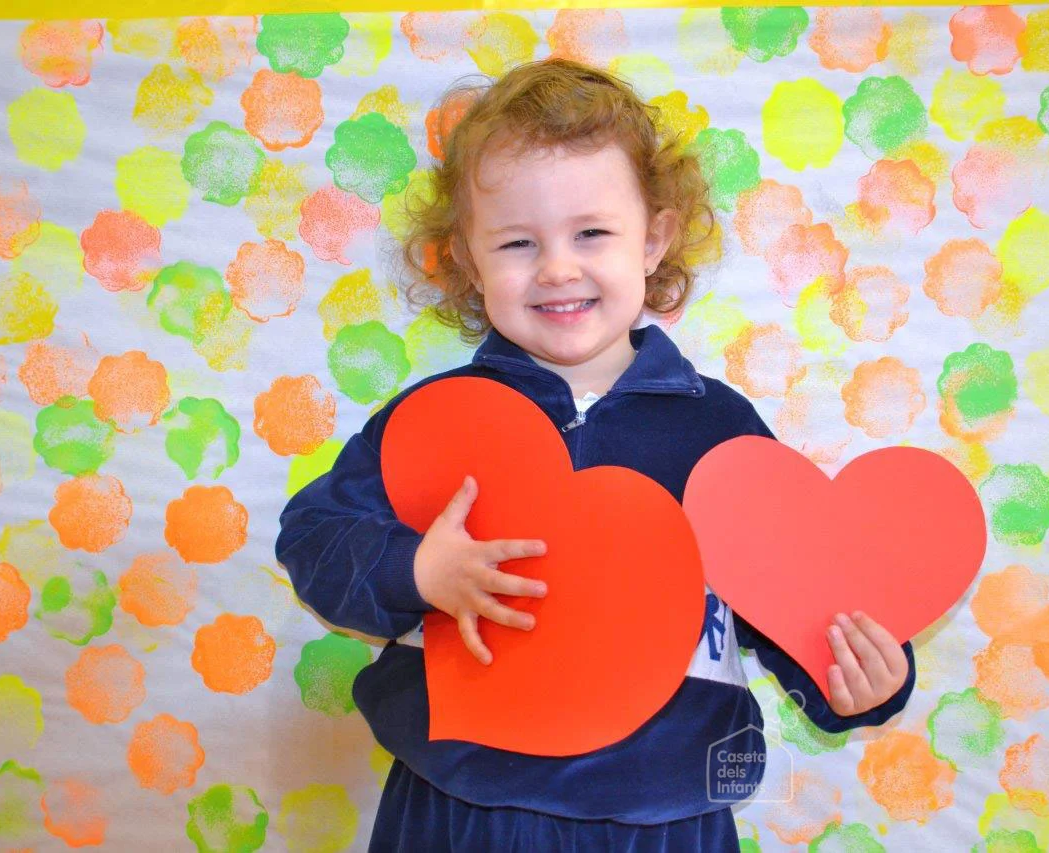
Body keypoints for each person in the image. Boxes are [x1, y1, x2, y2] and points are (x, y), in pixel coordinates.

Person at [276, 57, 914, 852]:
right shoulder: (434, 420)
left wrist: (860, 679)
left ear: (653, 240)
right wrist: (418, 571)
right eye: (517, 242)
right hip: (460, 806)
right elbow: (313, 538)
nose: (557, 267)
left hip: (665, 815)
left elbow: (795, 594)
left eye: (592, 233)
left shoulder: (717, 428)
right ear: (468, 258)